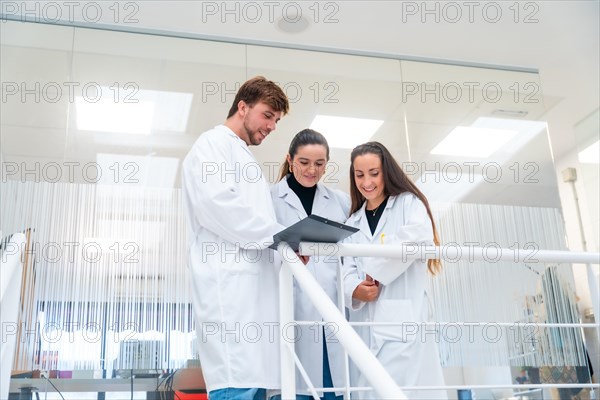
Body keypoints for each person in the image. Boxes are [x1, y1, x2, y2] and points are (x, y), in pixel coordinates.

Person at [181, 76, 290, 400]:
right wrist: (278, 237)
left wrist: (283, 244)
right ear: (242, 107)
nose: (271, 126)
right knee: (237, 384)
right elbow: (216, 205)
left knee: (251, 382)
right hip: (230, 295)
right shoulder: (211, 145)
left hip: (253, 301)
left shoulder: (244, 159)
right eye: (267, 115)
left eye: (276, 120)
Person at [341, 142, 447, 400]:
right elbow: (345, 270)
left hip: (403, 320)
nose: (367, 182)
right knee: (368, 391)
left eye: (374, 173)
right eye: (359, 175)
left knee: (400, 391)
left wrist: (374, 270)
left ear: (386, 172)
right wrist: (354, 290)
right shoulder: (352, 223)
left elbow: (418, 238)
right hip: (365, 325)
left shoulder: (408, 204)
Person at [270, 129, 350, 400]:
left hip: (332, 310)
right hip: (291, 311)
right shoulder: (270, 199)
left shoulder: (339, 201)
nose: (311, 170)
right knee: (296, 388)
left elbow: (349, 256)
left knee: (334, 388)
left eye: (319, 163)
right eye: (304, 162)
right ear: (290, 160)